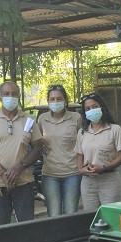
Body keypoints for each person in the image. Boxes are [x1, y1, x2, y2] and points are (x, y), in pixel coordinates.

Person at [0, 81, 43, 226]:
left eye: (14, 94)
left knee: (26, 226)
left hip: (24, 182)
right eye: (6, 94)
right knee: (0, 228)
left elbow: (38, 147)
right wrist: (1, 172)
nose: (10, 97)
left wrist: (19, 167)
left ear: (19, 96)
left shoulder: (29, 119)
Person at [75, 92, 121, 210]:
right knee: (91, 218)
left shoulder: (114, 129)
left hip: (109, 180)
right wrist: (81, 169)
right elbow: (79, 155)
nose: (91, 110)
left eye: (95, 107)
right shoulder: (82, 132)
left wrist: (103, 167)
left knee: (112, 216)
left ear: (102, 107)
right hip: (88, 183)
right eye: (87, 108)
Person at [37, 84, 82, 216]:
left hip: (72, 173)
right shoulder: (42, 118)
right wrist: (40, 141)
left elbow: (83, 142)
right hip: (50, 174)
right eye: (52, 99)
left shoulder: (76, 117)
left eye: (59, 98)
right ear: (48, 101)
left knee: (70, 212)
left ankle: (70, 237)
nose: (55, 102)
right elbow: (36, 140)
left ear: (65, 100)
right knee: (54, 214)